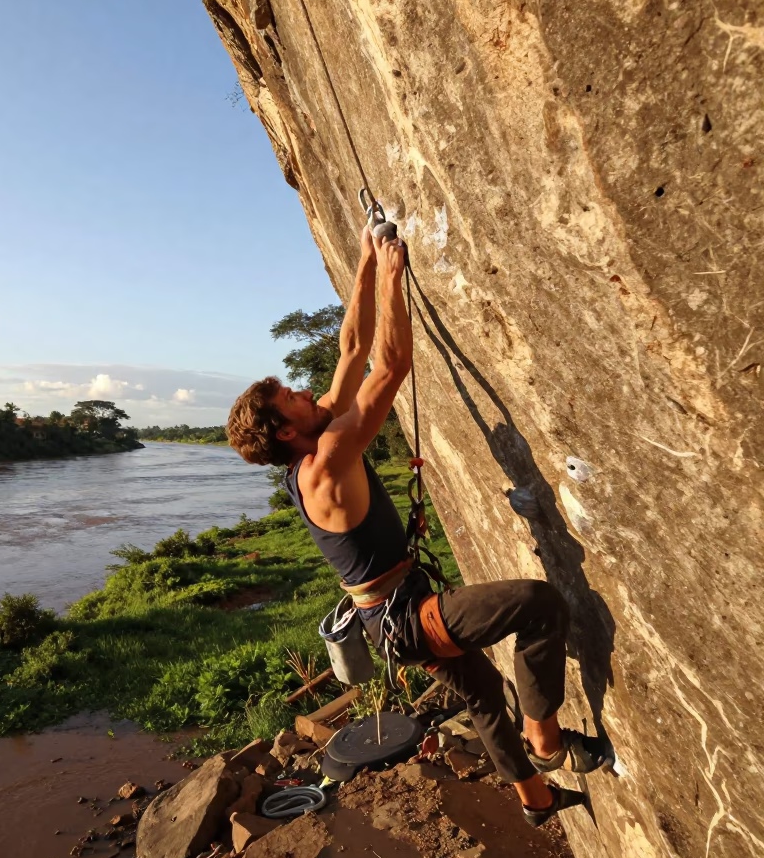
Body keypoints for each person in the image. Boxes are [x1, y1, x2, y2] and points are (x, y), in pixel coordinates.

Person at [226, 224, 608, 826]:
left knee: (484, 698)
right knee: (539, 605)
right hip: (405, 618)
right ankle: (546, 738)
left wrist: (363, 260)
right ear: (283, 430)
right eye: (290, 397)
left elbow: (353, 351)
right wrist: (393, 273)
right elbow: (390, 364)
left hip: (395, 615)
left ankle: (535, 800)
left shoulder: (312, 449)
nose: (305, 390)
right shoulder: (325, 463)